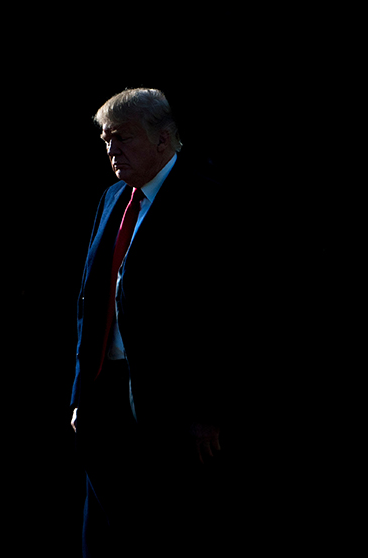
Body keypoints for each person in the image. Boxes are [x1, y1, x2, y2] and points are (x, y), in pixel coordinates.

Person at [70, 88, 236, 558]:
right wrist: (81, 393)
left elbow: (221, 313)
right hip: (105, 389)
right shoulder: (111, 198)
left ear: (164, 141)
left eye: (123, 138)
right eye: (106, 140)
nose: (112, 150)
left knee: (165, 526)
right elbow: (91, 300)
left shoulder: (204, 200)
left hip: (170, 400)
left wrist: (211, 409)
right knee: (101, 530)